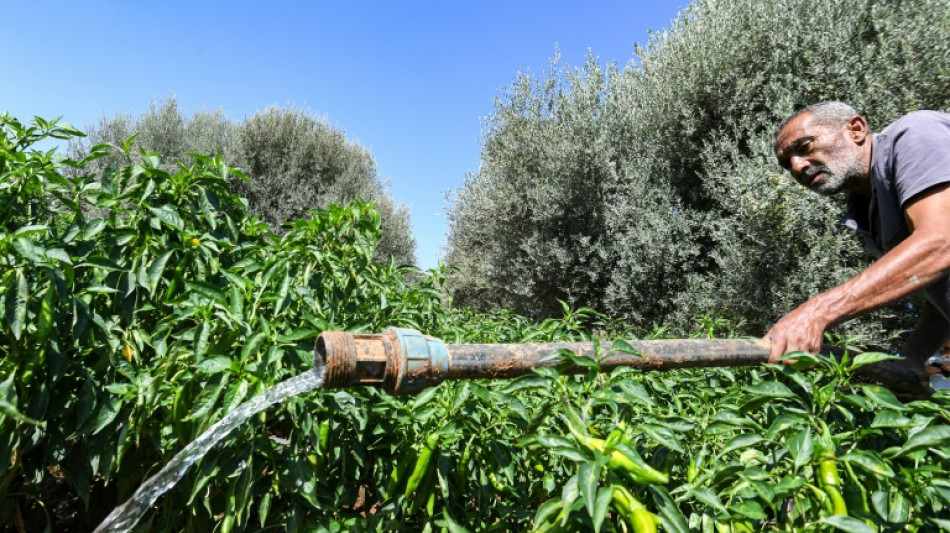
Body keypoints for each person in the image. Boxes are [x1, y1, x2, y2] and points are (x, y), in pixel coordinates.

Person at [766, 101, 950, 385]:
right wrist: (914, 355)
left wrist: (816, 313)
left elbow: (941, 242)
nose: (797, 166)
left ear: (856, 129)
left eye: (805, 147)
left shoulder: (917, 133)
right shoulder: (864, 210)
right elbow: (938, 283)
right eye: (787, 163)